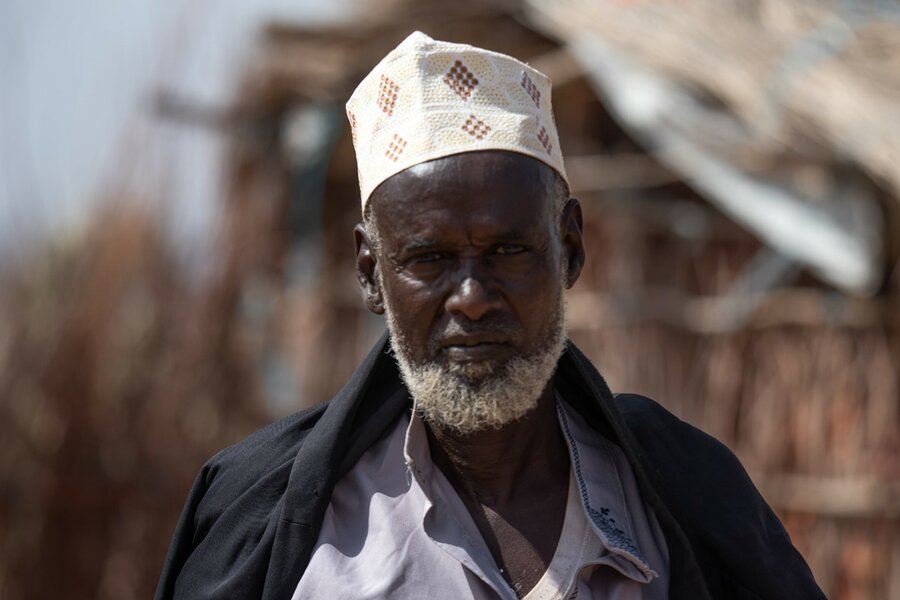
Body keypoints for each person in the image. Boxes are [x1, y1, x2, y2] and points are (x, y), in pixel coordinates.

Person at [155, 32, 825, 599]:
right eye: (429, 258)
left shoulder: (686, 495)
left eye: (508, 250)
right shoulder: (267, 523)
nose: (471, 297)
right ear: (370, 273)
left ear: (569, 248)